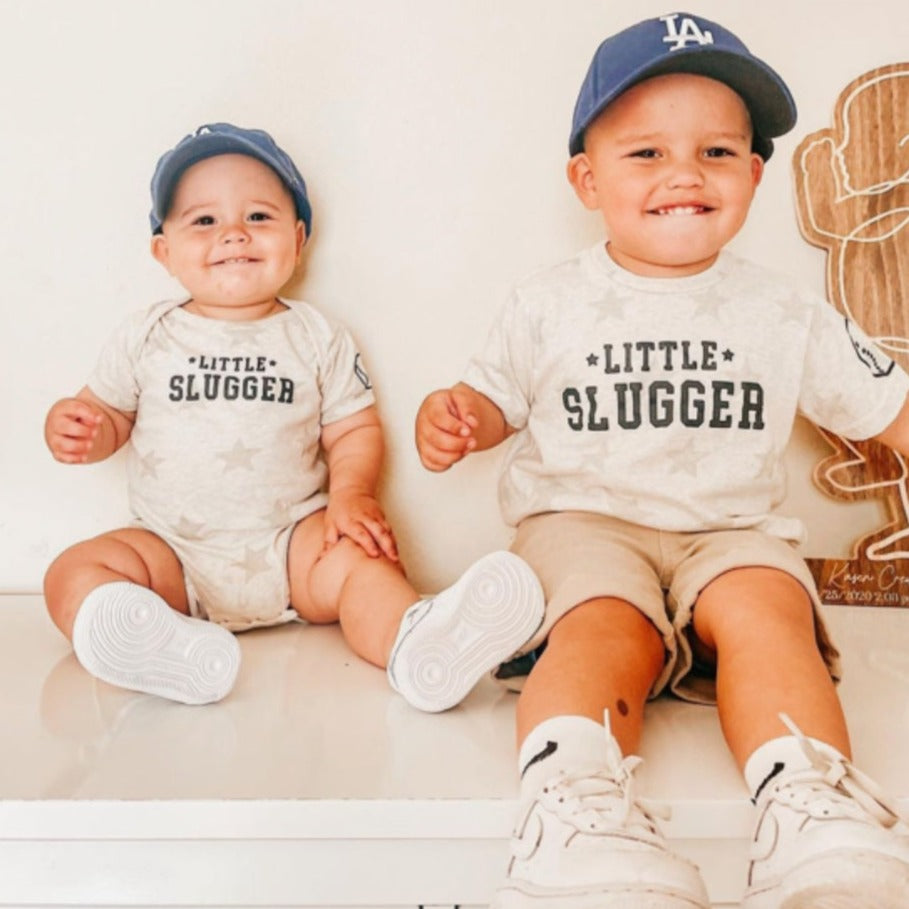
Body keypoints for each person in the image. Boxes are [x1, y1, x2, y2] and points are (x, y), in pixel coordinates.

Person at [415, 13, 909, 909]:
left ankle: (810, 809)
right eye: (646, 153)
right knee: (604, 624)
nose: (684, 173)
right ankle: (573, 812)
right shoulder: (548, 300)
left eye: (716, 152)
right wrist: (457, 418)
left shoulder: (780, 309)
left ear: (753, 175)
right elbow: (491, 398)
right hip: (581, 525)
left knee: (768, 608)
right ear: (586, 178)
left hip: (731, 530)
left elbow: (890, 409)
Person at [44, 122, 543, 710]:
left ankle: (415, 642)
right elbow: (107, 413)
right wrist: (82, 428)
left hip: (295, 549)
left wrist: (351, 495)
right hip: (171, 553)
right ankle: (156, 644)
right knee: (72, 572)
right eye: (203, 221)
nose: (233, 233)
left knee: (363, 564)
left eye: (258, 216)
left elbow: (353, 430)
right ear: (164, 251)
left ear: (298, 238)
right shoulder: (147, 333)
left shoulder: (316, 335)